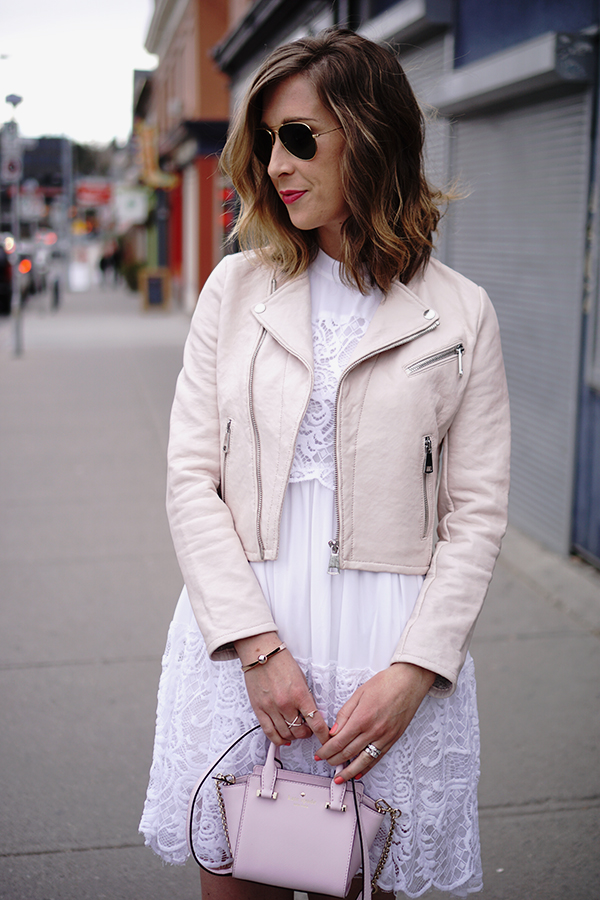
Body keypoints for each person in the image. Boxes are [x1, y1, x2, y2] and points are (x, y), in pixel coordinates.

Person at [140, 28, 510, 900]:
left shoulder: (461, 313)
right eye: (267, 140)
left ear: (370, 136)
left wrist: (415, 673)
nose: (277, 163)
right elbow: (191, 480)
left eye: (301, 137)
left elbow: (476, 514)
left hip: (388, 666)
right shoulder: (233, 291)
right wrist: (256, 650)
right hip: (245, 649)